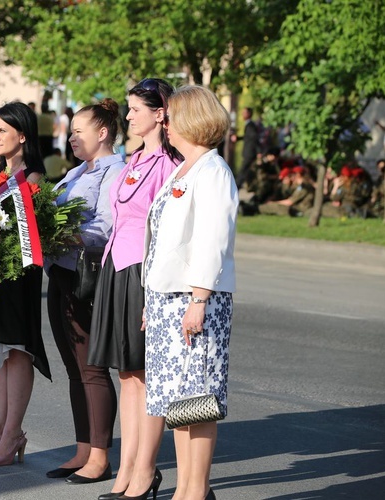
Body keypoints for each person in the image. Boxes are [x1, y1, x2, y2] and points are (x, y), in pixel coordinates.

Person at [87, 78, 181, 500]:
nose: (127, 116)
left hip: (145, 271)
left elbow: (167, 230)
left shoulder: (170, 165)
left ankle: (145, 471)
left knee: (146, 375)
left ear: (160, 113)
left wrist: (157, 287)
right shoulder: (134, 160)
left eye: (135, 109)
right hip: (116, 268)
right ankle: (126, 469)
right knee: (126, 374)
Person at [143, 85, 237, 500]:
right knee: (178, 404)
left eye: (169, 114)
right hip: (168, 300)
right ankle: (185, 488)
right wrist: (152, 301)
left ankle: (195, 492)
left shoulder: (213, 170)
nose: (164, 121)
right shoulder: (185, 169)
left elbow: (212, 239)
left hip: (194, 300)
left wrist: (198, 300)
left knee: (197, 399)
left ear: (190, 119)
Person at [44, 99, 123, 484]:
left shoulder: (115, 171)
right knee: (74, 369)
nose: (72, 136)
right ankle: (81, 449)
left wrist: (61, 233)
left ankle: (100, 457)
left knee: (92, 369)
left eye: (79, 130)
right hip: (59, 274)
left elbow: (107, 227)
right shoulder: (76, 172)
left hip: (85, 277)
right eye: (71, 130)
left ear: (102, 133)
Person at [0, 101, 51, 467]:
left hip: (18, 275)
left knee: (16, 350)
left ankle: (13, 432)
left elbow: (26, 228)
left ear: (22, 134)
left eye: (2, 130)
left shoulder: (32, 177)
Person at [236, 107, 260, 188]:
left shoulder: (251, 125)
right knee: (246, 171)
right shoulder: (249, 125)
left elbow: (254, 138)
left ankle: (236, 187)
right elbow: (248, 137)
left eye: (245, 113)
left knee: (243, 171)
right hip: (248, 152)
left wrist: (258, 151)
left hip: (249, 152)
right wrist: (238, 138)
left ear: (249, 114)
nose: (243, 114)